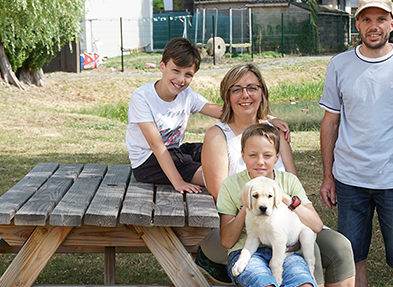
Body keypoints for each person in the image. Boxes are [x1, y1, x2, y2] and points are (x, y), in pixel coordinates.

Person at [196, 64, 356, 286]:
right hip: (243, 228)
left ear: (262, 92)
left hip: (286, 221)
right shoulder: (217, 135)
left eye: (252, 88)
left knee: (339, 247)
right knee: (313, 252)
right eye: (237, 89)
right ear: (227, 95)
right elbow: (222, 195)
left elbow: (292, 184)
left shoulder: (275, 131)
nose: (245, 95)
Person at [318, 0, 393, 286]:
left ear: (392, 23)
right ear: (357, 24)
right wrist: (328, 176)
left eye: (381, 19)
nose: (374, 26)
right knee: (351, 258)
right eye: (366, 19)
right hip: (349, 180)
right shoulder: (339, 64)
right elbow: (330, 122)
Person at [126, 37, 288, 193]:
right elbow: (157, 146)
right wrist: (179, 182)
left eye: (188, 74)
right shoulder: (142, 97)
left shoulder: (186, 94)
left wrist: (266, 118)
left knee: (217, 151)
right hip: (148, 162)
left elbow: (222, 111)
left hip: (175, 151)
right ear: (162, 66)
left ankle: (263, 173)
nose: (181, 79)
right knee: (212, 174)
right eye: (175, 71)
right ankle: (255, 185)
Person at [218, 124, 322, 287]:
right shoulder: (230, 185)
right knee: (265, 284)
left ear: (277, 157)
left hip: (287, 251)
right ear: (243, 156)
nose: (260, 162)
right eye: (253, 155)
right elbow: (227, 241)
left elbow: (316, 225)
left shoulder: (289, 181)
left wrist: (285, 199)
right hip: (245, 252)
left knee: (304, 284)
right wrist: (248, 204)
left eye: (267, 155)